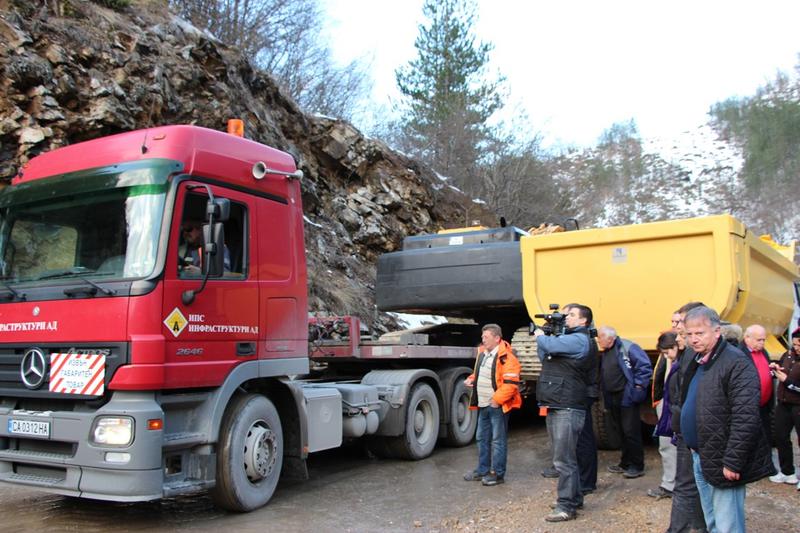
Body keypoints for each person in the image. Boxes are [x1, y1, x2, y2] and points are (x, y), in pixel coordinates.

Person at [680, 306, 775, 533]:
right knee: (712, 521)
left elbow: (746, 417)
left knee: (728, 524)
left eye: (699, 333)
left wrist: (733, 460)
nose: (693, 339)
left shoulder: (736, 363)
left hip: (723, 457)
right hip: (700, 453)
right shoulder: (698, 359)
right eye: (689, 334)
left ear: (717, 331)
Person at [535, 304, 595, 522]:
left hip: (568, 405)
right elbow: (544, 355)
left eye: (572, 315)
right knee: (565, 456)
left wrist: (541, 335)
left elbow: (547, 346)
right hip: (556, 402)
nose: (567, 318)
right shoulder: (564, 341)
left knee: (563, 460)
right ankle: (574, 497)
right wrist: (546, 337)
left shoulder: (580, 339)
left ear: (583, 321)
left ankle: (566, 506)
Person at [667, 301, 708, 533]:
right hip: (685, 426)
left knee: (686, 485)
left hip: (693, 429)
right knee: (693, 483)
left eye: (680, 322)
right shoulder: (686, 353)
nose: (678, 327)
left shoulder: (696, 355)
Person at [463, 324, 522, 486]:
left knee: (497, 441)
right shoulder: (483, 354)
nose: (483, 340)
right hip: (483, 405)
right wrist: (472, 379)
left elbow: (511, 384)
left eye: (486, 337)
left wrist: (496, 400)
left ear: (497, 338)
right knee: (481, 438)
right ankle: (482, 470)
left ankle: (497, 474)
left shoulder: (507, 358)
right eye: (482, 337)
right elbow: (482, 372)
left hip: (497, 406)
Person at [597, 325, 652, 478]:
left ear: (610, 338)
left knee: (630, 431)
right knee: (621, 430)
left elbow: (644, 366)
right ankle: (626, 462)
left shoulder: (628, 347)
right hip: (613, 397)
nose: (598, 340)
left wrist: (638, 387)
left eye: (600, 337)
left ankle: (637, 465)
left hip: (627, 396)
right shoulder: (607, 351)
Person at [648, 331, 681, 499]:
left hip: (675, 407)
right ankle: (671, 483)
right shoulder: (669, 357)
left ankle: (673, 485)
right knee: (666, 445)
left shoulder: (682, 361)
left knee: (671, 445)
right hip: (667, 404)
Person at [768, 328, 800, 487]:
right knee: (781, 436)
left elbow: (791, 383)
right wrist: (775, 369)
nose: (796, 347)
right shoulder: (787, 355)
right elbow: (780, 370)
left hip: (798, 404)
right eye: (794, 344)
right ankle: (787, 472)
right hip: (784, 403)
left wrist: (787, 381)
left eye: (799, 344)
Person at [742, 324, 773, 443]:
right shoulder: (740, 353)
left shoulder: (763, 352)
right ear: (747, 338)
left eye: (764, 340)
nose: (762, 343)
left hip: (764, 407)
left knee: (765, 440)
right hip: (749, 407)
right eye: (759, 340)